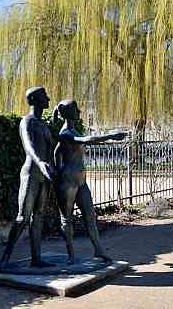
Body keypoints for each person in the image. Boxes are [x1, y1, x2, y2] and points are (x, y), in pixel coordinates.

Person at [53, 100, 126, 264]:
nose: (79, 111)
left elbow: (57, 151)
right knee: (67, 219)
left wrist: (58, 165)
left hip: (80, 181)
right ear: (69, 113)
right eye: (76, 109)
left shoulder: (72, 130)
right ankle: (71, 255)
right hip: (68, 182)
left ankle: (98, 250)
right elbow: (87, 139)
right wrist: (111, 136)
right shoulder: (65, 132)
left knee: (90, 215)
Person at [0, 87, 55, 272]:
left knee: (38, 217)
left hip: (44, 175)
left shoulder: (43, 124)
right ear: (34, 99)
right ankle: (5, 259)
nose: (48, 98)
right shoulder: (27, 121)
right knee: (23, 217)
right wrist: (40, 163)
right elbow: (29, 147)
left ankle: (36, 258)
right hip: (32, 171)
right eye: (44, 96)